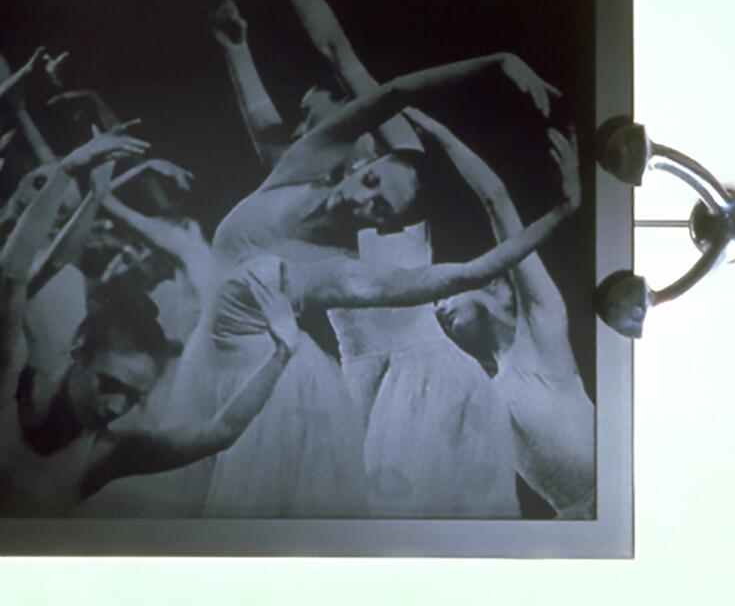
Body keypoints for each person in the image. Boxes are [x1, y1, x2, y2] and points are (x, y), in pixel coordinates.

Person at [180, 41, 577, 518]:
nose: (302, 127)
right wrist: (238, 42)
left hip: (423, 375)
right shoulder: (312, 180)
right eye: (303, 119)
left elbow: (343, 53)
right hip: (359, 375)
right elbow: (265, 119)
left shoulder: (400, 177)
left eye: (312, 115)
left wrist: (456, 116)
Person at [0, 146, 300, 517]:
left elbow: (219, 433)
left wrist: (283, 352)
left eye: (131, 396)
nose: (116, 408)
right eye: (109, 384)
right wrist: (66, 172)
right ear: (79, 348)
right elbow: (12, 277)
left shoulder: (108, 453)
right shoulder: (12, 387)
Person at [426, 120, 596, 518]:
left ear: (494, 284)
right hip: (574, 523)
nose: (437, 308)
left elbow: (494, 200)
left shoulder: (542, 329)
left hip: (617, 499)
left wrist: (441, 133)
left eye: (446, 293)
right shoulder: (483, 385)